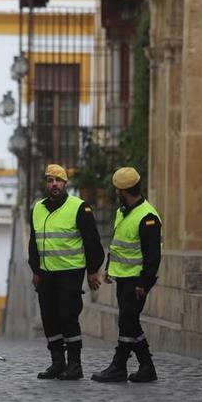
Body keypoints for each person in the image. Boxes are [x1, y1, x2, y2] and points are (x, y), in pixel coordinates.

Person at [29, 164, 104, 380]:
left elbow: (93, 242)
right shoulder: (38, 208)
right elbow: (34, 243)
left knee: (67, 317)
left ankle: (74, 365)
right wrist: (35, 270)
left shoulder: (79, 208)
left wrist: (92, 271)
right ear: (46, 183)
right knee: (49, 318)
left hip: (70, 273)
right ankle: (57, 363)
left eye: (58, 181)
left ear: (65, 184)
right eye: (50, 180)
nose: (54, 184)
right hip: (46, 274)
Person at [92, 167, 161, 383]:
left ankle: (119, 365)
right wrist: (110, 268)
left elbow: (153, 255)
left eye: (116, 190)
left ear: (123, 191)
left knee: (127, 321)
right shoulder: (123, 212)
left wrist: (145, 283)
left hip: (137, 281)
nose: (115, 193)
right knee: (130, 323)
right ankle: (146, 366)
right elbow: (118, 244)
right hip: (123, 277)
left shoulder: (147, 216)